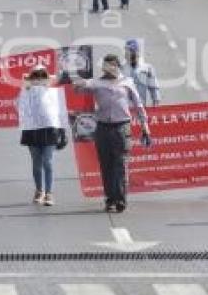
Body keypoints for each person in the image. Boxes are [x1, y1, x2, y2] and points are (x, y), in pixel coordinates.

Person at [74, 54, 150, 213]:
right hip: (102, 127)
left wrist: (145, 127)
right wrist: (77, 79)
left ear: (117, 66)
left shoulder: (127, 82)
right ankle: (110, 199)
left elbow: (138, 105)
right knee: (106, 164)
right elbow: (78, 88)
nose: (109, 69)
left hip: (122, 127)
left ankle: (121, 198)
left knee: (120, 164)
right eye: (106, 66)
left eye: (112, 65)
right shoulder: (97, 82)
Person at [17, 65, 67, 206]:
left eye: (42, 75)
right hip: (32, 130)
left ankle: (49, 193)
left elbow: (61, 112)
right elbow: (19, 107)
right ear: (32, 78)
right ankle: (39, 190)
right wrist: (26, 86)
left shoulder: (53, 92)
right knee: (36, 163)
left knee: (47, 161)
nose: (39, 78)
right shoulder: (26, 92)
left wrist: (62, 131)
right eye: (36, 76)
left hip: (49, 130)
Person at [122, 39, 161, 106]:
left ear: (137, 52)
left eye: (131, 51)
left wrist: (156, 102)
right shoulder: (121, 69)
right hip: (123, 110)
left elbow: (154, 88)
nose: (127, 53)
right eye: (127, 50)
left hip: (140, 108)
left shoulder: (147, 69)